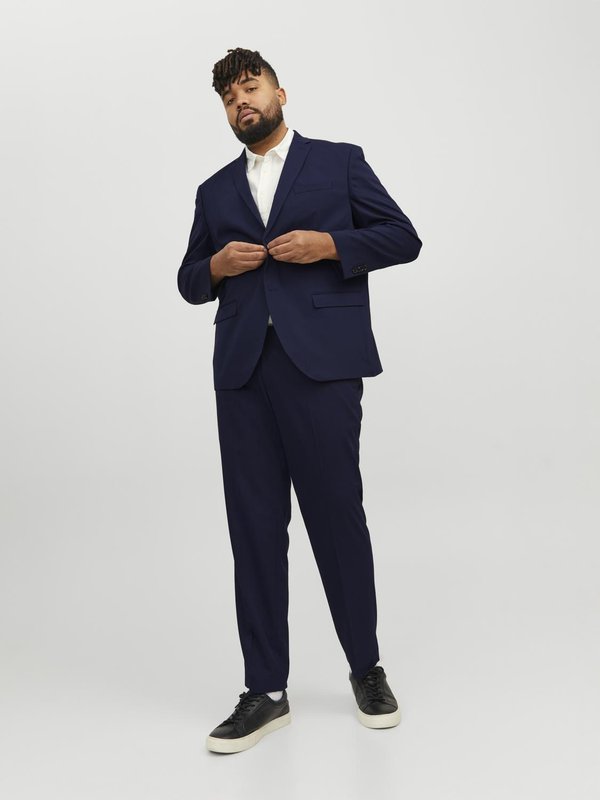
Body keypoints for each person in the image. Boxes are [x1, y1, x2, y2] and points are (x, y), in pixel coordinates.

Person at [177, 47, 423, 754]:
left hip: (322, 368)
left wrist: (328, 245)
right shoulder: (214, 191)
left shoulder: (338, 163)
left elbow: (402, 237)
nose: (241, 103)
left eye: (250, 88)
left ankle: (366, 669)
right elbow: (189, 280)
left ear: (280, 93)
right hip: (243, 375)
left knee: (336, 517)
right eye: (229, 98)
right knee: (253, 529)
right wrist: (216, 265)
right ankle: (265, 690)